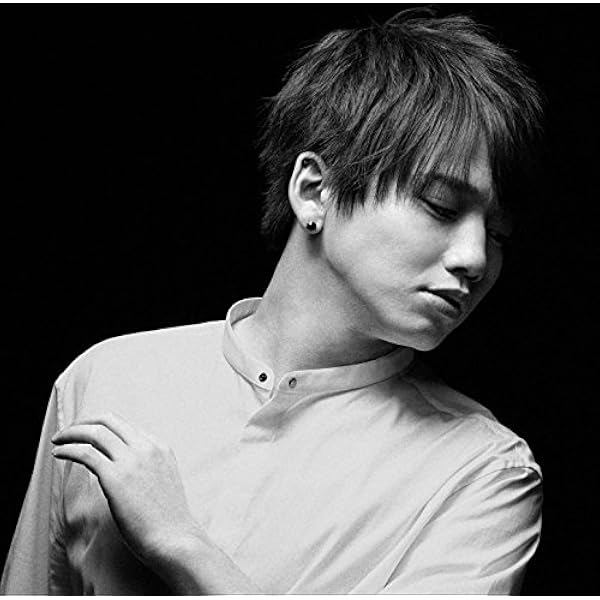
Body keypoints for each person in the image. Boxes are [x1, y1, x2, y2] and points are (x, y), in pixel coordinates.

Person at [1, 9, 544, 595]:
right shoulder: (107, 378)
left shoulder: (484, 474)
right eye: (441, 206)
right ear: (314, 190)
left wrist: (183, 547)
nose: (475, 258)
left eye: (498, 234)